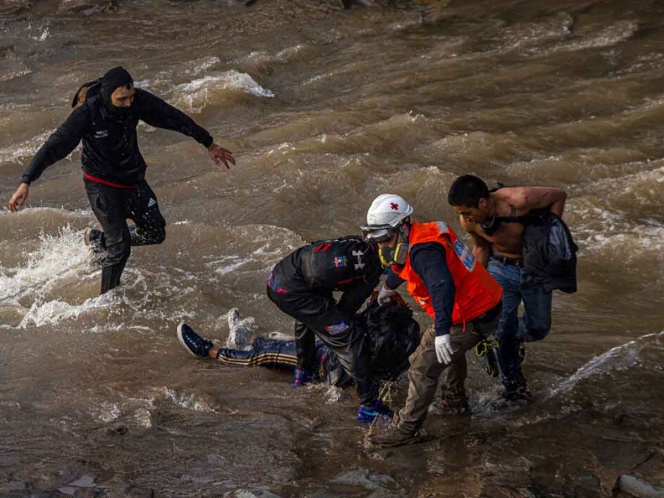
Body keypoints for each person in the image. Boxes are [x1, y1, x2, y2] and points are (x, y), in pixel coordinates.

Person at [7, 66, 236, 295]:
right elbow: (53, 147)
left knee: (155, 232)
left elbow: (172, 117)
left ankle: (98, 240)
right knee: (121, 247)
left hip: (132, 180)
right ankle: (106, 299)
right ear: (107, 96)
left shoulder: (137, 102)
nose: (129, 103)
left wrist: (208, 143)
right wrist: (26, 181)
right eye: (122, 99)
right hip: (102, 185)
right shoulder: (88, 114)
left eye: (131, 97)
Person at [361, 194, 503, 448]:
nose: (382, 246)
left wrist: (442, 331)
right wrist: (389, 288)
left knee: (421, 365)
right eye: (377, 240)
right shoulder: (420, 234)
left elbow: (442, 285)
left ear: (402, 227)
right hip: (485, 304)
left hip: (470, 313)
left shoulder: (424, 251)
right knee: (449, 353)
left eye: (385, 238)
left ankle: (406, 428)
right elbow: (401, 264)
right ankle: (454, 402)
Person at [447, 174, 568, 402]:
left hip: (534, 269)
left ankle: (509, 338)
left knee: (538, 328)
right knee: (503, 328)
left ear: (483, 202)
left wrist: (550, 235)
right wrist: (471, 286)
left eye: (466, 212)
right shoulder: (470, 222)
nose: (464, 218)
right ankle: (513, 387)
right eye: (460, 214)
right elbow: (481, 247)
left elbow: (559, 196)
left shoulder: (520, 200)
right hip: (499, 268)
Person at [265, 236, 390, 423]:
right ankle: (370, 407)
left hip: (279, 277)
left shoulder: (353, 242)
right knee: (350, 338)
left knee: (308, 316)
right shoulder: (371, 271)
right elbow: (346, 310)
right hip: (297, 291)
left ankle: (303, 374)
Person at [177, 300, 420, 388]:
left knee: (264, 355)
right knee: (278, 341)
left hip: (322, 362)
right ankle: (245, 339)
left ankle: (207, 351)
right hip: (332, 356)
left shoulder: (380, 339)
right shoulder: (405, 339)